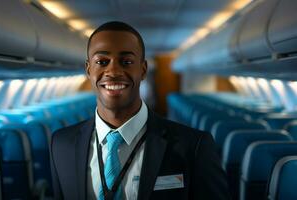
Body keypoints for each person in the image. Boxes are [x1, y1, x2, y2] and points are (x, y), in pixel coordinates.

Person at [50, 21, 230, 200]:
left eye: (126, 61)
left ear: (143, 70)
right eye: (102, 62)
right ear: (88, 70)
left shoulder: (193, 147)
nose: (113, 71)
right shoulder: (61, 145)